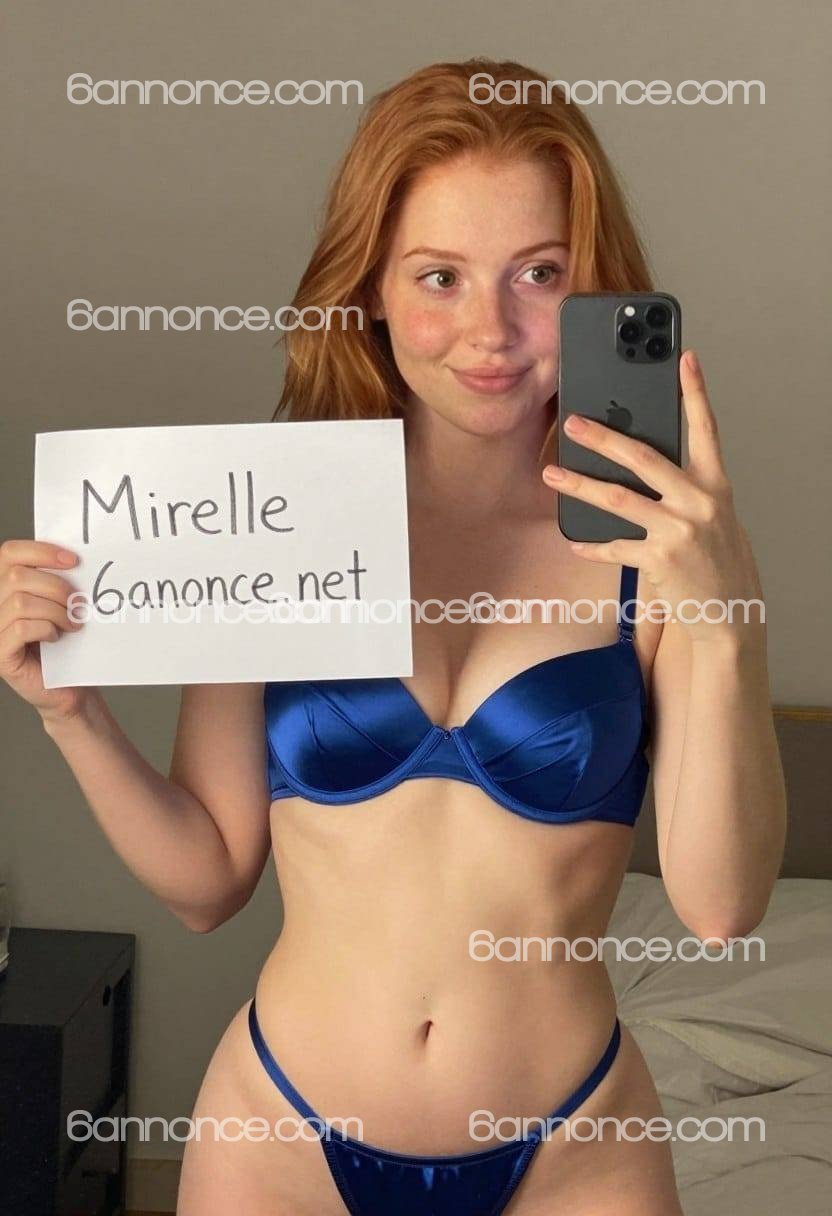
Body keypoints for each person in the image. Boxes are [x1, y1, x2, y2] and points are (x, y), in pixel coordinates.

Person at [0, 59, 786, 1216]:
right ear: (369, 287)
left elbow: (719, 906)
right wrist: (69, 712)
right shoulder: (278, 515)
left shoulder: (651, 547)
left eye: (538, 274)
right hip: (280, 1137)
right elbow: (206, 882)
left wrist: (722, 617)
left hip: (573, 1148)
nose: (490, 332)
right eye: (439, 276)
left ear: (592, 288)